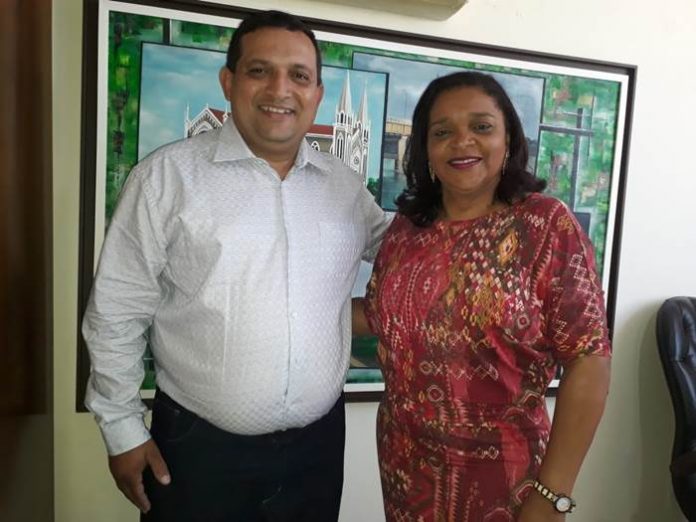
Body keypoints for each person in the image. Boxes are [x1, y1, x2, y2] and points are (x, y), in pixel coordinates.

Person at [83, 10, 389, 522]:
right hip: (198, 451)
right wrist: (122, 430)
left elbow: (403, 250)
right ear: (228, 81)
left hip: (317, 451)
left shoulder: (343, 185)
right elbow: (116, 310)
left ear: (317, 93)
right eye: (259, 70)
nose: (280, 89)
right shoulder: (165, 178)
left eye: (298, 75)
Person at [352, 71, 611, 521]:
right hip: (404, 470)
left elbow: (589, 359)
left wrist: (552, 495)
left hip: (507, 481)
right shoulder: (406, 230)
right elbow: (379, 316)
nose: (461, 141)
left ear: (508, 139)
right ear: (425, 148)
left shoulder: (544, 226)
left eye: (481, 126)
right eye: (442, 132)